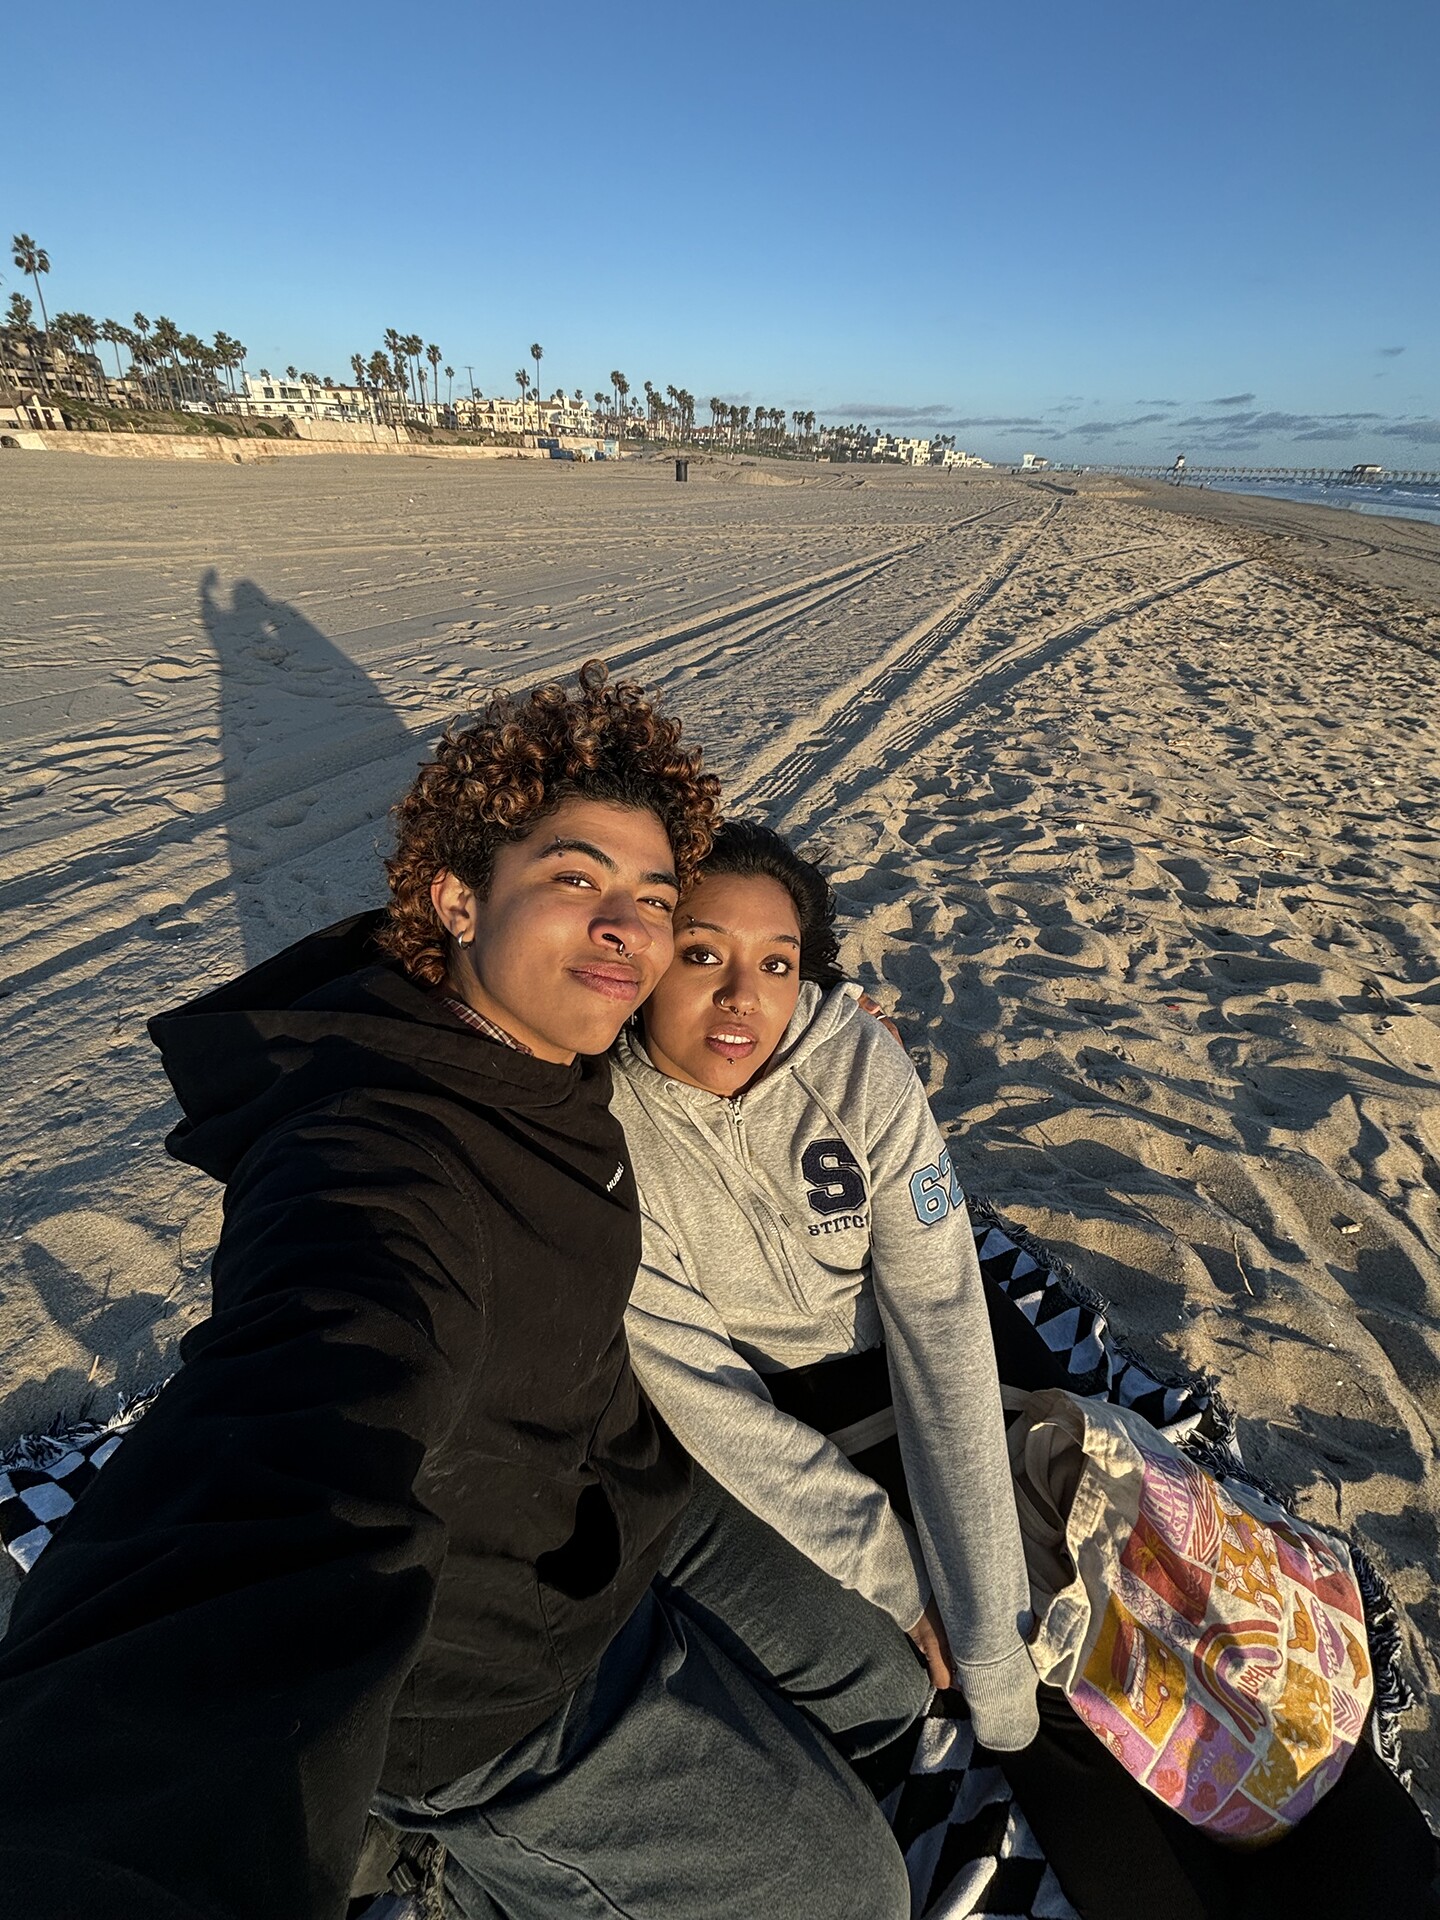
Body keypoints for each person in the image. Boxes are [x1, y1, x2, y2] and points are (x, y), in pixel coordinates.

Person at [0, 669, 929, 1920]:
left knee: (888, 1691)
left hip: (627, 1497)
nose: (626, 930)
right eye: (574, 879)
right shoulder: (378, 1154)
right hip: (481, 1668)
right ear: (456, 895)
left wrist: (821, 1027)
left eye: (653, 901)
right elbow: (296, 1435)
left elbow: (728, 1017)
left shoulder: (557, 1044)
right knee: (853, 1894)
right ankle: (438, 1856)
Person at [613, 819, 1440, 1920]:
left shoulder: (852, 1060)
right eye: (703, 953)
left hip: (984, 1407)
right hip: (826, 1465)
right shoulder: (603, 1135)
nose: (744, 999)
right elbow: (709, 1403)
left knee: (1230, 1695)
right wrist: (905, 1580)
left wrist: (985, 1614)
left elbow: (945, 1319)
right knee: (1056, 1755)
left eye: (777, 963)